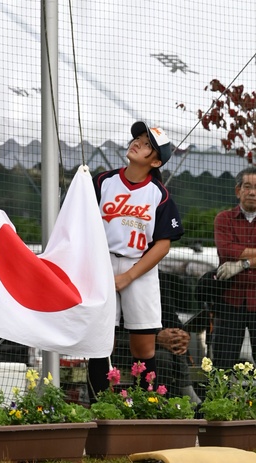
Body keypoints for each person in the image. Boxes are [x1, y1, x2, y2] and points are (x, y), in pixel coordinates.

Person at [87, 121, 182, 399]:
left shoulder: (159, 194)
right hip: (102, 263)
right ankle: (100, 407)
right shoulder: (103, 181)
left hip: (139, 269)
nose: (138, 143)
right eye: (138, 138)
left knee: (143, 348)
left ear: (156, 161)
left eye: (147, 144)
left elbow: (162, 245)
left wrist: (128, 276)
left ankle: (145, 406)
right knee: (100, 343)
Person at [211, 166, 256, 365]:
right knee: (223, 364)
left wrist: (243, 263)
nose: (252, 192)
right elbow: (226, 250)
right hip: (230, 301)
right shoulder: (224, 219)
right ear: (238, 191)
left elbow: (234, 252)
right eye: (247, 186)